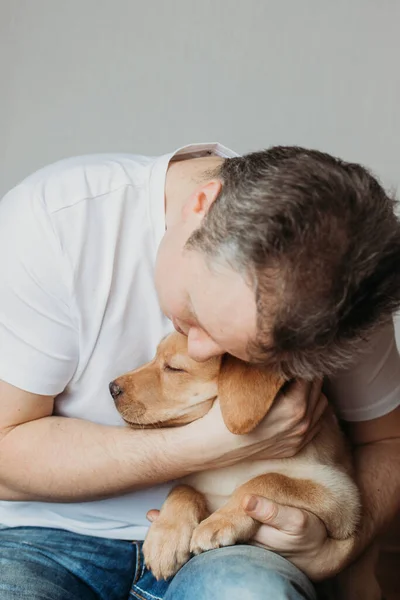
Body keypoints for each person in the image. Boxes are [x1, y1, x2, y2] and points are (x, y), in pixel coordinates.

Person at [0, 142, 399, 600]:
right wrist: (206, 445)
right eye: (195, 312)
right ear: (201, 204)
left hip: (237, 546)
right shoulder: (54, 224)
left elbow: (387, 441)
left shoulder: (338, 280)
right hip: (39, 536)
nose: (201, 347)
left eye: (245, 349)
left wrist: (337, 554)